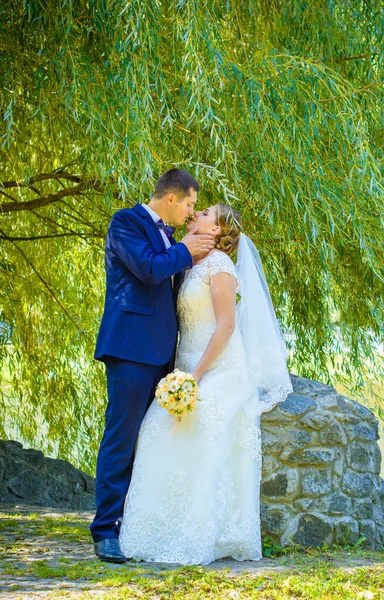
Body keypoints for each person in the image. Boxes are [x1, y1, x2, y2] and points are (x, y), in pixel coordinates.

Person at [118, 203, 293, 565]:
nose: (195, 215)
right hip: (187, 367)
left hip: (220, 370)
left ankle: (197, 535)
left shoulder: (220, 267)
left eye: (204, 214)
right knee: (153, 431)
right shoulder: (186, 264)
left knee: (198, 429)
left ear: (216, 231)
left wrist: (194, 377)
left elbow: (226, 327)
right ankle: (155, 532)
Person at [90, 168, 217, 563]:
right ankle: (104, 530)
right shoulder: (125, 222)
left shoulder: (172, 239)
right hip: (130, 349)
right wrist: (187, 249)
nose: (191, 212)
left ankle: (136, 523)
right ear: (172, 198)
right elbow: (147, 268)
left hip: (164, 354)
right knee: (121, 438)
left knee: (152, 442)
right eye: (191, 204)